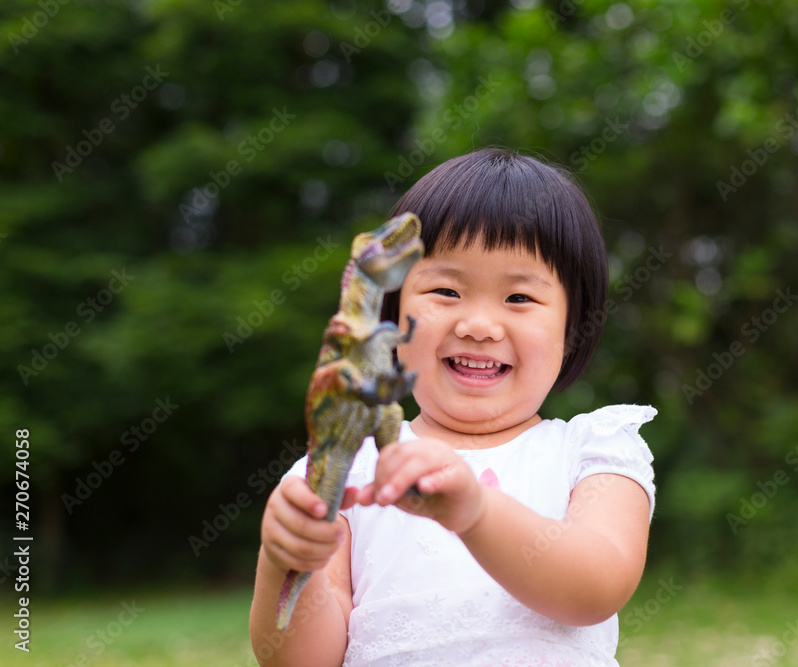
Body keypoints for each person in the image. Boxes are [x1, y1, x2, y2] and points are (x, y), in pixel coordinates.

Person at [249, 147, 656, 666]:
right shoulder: (349, 466)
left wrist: (477, 513)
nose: (478, 325)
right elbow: (302, 661)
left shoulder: (592, 453)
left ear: (572, 330)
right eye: (445, 290)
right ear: (392, 316)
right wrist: (285, 562)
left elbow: (596, 588)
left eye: (519, 298)